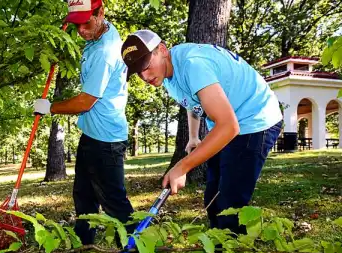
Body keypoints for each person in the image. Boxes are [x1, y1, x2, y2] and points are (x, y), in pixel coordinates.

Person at [121, 30, 282, 237]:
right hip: (228, 122)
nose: (144, 76)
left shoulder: (193, 65)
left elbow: (229, 127)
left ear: (162, 50)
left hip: (255, 119)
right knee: (213, 198)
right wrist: (194, 136)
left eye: (146, 66)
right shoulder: (168, 72)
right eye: (137, 71)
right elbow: (193, 100)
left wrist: (182, 166)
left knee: (229, 207)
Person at [34, 0, 136, 253]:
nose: (80, 31)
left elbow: (85, 102)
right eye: (76, 25)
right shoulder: (101, 33)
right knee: (84, 200)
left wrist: (49, 108)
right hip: (93, 135)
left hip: (105, 141)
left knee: (115, 204)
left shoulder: (104, 50)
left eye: (86, 23)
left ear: (101, 12)